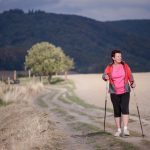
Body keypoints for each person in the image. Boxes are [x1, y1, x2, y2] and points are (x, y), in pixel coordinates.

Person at [102, 49, 136, 137]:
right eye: (118, 56)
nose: (120, 57)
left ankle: (125, 129)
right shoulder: (109, 67)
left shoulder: (125, 65)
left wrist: (132, 82)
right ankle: (118, 130)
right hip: (114, 92)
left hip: (125, 91)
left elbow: (130, 75)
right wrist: (105, 76)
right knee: (117, 110)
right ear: (113, 58)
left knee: (125, 109)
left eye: (120, 56)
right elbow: (104, 75)